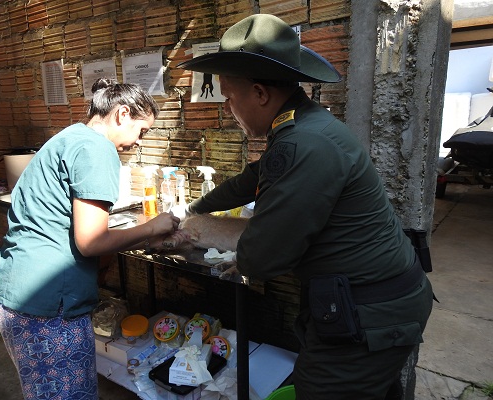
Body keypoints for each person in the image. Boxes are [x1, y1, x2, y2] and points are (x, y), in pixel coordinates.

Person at [177, 14, 433, 400]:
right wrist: (193, 208)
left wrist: (197, 229)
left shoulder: (304, 143)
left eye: (229, 98)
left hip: (372, 312)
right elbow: (249, 181)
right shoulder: (301, 126)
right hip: (371, 304)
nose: (229, 109)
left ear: (260, 93)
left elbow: (263, 257)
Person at [0, 78, 180, 400]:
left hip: (15, 290)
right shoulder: (97, 149)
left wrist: (142, 239)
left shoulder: (70, 137)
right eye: (142, 131)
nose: (138, 142)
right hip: (48, 304)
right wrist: (151, 228)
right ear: (122, 114)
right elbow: (91, 242)